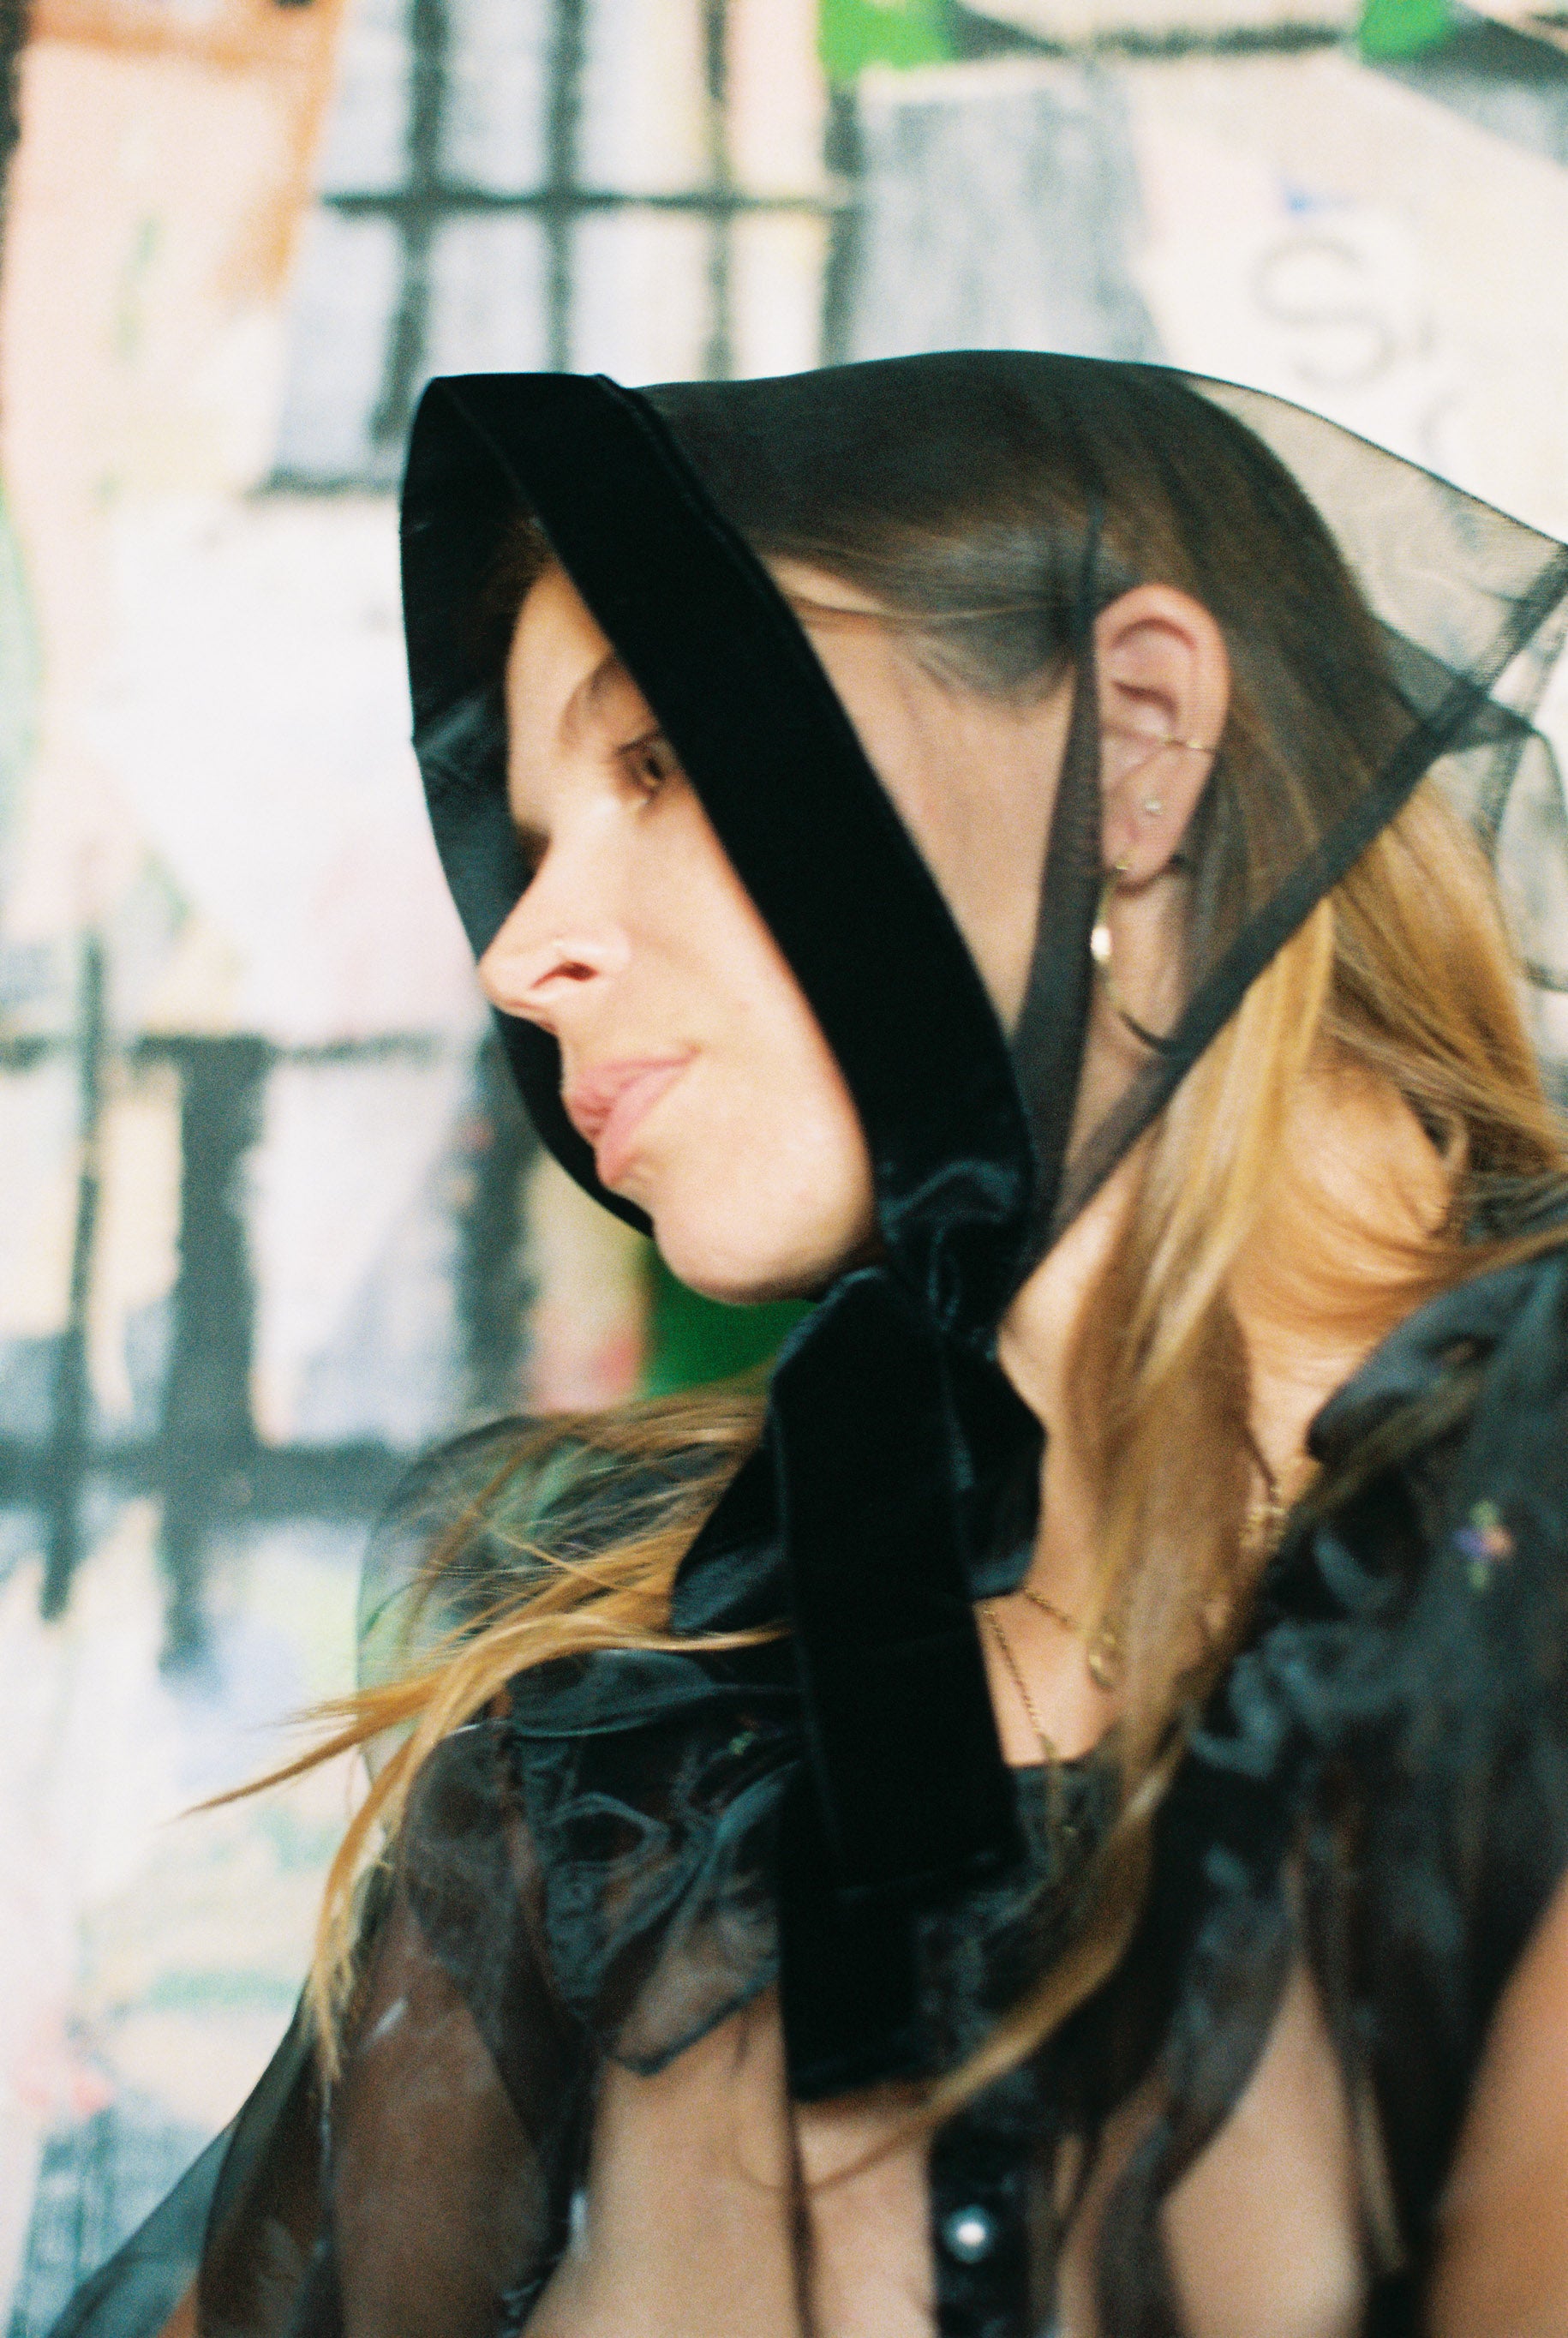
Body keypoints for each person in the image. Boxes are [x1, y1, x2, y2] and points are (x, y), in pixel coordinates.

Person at [55, 352, 1568, 2338]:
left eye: (660, 764)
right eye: (532, 830)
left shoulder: (1525, 1526)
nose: (518, 953)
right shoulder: (636, 1759)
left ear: (1137, 746)